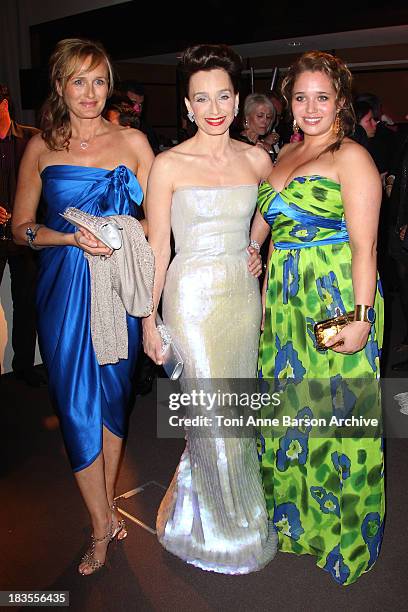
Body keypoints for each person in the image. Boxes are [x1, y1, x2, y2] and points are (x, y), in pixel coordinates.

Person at [12, 38, 154, 575]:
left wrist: (123, 229)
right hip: (65, 287)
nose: (90, 93)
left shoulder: (136, 142)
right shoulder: (41, 149)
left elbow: (158, 224)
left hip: (118, 284)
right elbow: (21, 227)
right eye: (79, 81)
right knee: (76, 403)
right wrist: (69, 238)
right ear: (60, 86)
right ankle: (99, 526)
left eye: (99, 81)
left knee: (115, 397)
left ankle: (109, 502)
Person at [142, 43, 278, 574]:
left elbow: (272, 217)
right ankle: (226, 534)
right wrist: (148, 319)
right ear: (188, 106)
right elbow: (157, 247)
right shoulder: (168, 164)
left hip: (240, 300)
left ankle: (219, 512)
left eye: (223, 94)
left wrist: (256, 251)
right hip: (192, 300)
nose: (214, 106)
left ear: (238, 98)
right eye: (202, 97)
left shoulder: (257, 158)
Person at [256, 51, 384, 585]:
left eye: (322, 97)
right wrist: (252, 252)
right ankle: (296, 524)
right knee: (289, 415)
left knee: (340, 421)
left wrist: (360, 318)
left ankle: (346, 539)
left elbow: (365, 246)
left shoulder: (350, 156)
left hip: (333, 299)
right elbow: (270, 221)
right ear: (288, 101)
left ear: (340, 103)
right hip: (284, 305)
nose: (311, 107)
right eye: (300, 96)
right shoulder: (281, 154)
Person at [0, 83, 45, 387]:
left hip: (25, 235)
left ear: (5, 105)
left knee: (27, 303)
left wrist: (24, 211)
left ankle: (24, 367)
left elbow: (47, 184)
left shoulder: (31, 138)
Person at [120, 80, 160, 153]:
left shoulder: (146, 129)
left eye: (141, 104)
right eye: (133, 102)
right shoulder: (107, 126)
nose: (137, 109)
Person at [237, 93, 279, 161]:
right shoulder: (236, 143)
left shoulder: (266, 147)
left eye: (268, 117)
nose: (265, 121)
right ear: (247, 117)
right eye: (260, 116)